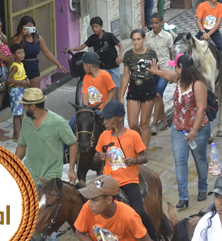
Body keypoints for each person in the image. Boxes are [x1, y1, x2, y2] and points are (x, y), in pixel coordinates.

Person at [149, 54, 210, 208]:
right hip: (178, 129)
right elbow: (168, 75)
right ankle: (183, 197)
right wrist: (156, 71)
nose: (174, 69)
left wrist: (194, 131)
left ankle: (203, 188)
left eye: (176, 67)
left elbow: (201, 109)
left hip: (198, 130)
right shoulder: (178, 79)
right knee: (180, 161)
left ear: (182, 68)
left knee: (200, 159)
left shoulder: (198, 84)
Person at [95, 100, 158, 240]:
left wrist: (133, 161)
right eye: (104, 118)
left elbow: (144, 158)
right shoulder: (104, 136)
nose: (104, 121)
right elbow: (95, 156)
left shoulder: (133, 135)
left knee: (139, 212)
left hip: (128, 181)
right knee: (91, 206)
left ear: (119, 118)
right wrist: (99, 156)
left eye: (108, 118)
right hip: (108, 181)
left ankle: (154, 237)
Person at [16, 88, 78, 187]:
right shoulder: (26, 121)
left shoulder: (58, 122)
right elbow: (22, 146)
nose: (23, 107)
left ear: (33, 106)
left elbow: (73, 144)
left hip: (51, 177)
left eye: (25, 105)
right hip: (30, 175)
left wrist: (71, 170)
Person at [74, 175, 153, 241]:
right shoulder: (87, 208)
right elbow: (79, 233)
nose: (89, 204)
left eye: (94, 200)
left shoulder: (129, 217)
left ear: (108, 200)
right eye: (90, 199)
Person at [121, 29, 159, 148]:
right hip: (133, 89)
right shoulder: (128, 55)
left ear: (144, 39)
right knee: (132, 124)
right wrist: (121, 96)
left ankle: (144, 152)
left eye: (138, 39)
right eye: (133, 39)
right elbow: (126, 76)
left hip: (148, 88)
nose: (136, 42)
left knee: (144, 123)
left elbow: (156, 71)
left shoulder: (151, 53)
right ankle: (139, 142)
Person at [67, 17, 123, 88]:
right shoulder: (93, 38)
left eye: (96, 27)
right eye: (92, 27)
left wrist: (120, 56)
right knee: (104, 87)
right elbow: (83, 46)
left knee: (116, 86)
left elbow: (120, 45)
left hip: (113, 65)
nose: (94, 29)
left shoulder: (109, 36)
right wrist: (73, 49)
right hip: (102, 67)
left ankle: (116, 95)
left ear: (101, 26)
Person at [12, 15, 66, 89]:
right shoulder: (18, 38)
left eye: (31, 27)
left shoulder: (37, 38)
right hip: (20, 69)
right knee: (21, 93)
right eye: (27, 28)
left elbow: (47, 52)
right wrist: (21, 35)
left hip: (34, 69)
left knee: (35, 92)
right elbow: (14, 47)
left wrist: (58, 64)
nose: (29, 30)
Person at [195, 0, 222, 84]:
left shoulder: (221, 7)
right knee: (189, 48)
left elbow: (218, 23)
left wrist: (208, 34)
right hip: (202, 31)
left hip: (214, 33)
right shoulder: (202, 6)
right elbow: (198, 21)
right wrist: (204, 32)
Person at [145, 13, 174, 134]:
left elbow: (171, 54)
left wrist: (171, 72)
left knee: (157, 95)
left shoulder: (168, 37)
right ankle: (164, 122)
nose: (154, 25)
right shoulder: (147, 37)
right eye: (152, 23)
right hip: (152, 70)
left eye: (156, 23)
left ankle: (154, 124)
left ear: (161, 23)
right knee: (158, 97)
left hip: (164, 69)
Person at [7, 43, 29, 141]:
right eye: (19, 53)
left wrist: (26, 80)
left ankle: (18, 134)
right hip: (16, 91)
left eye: (23, 52)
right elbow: (9, 80)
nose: (22, 54)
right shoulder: (15, 66)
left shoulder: (21, 64)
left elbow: (22, 76)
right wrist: (22, 82)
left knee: (21, 113)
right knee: (17, 115)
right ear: (13, 55)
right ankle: (17, 136)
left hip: (21, 91)